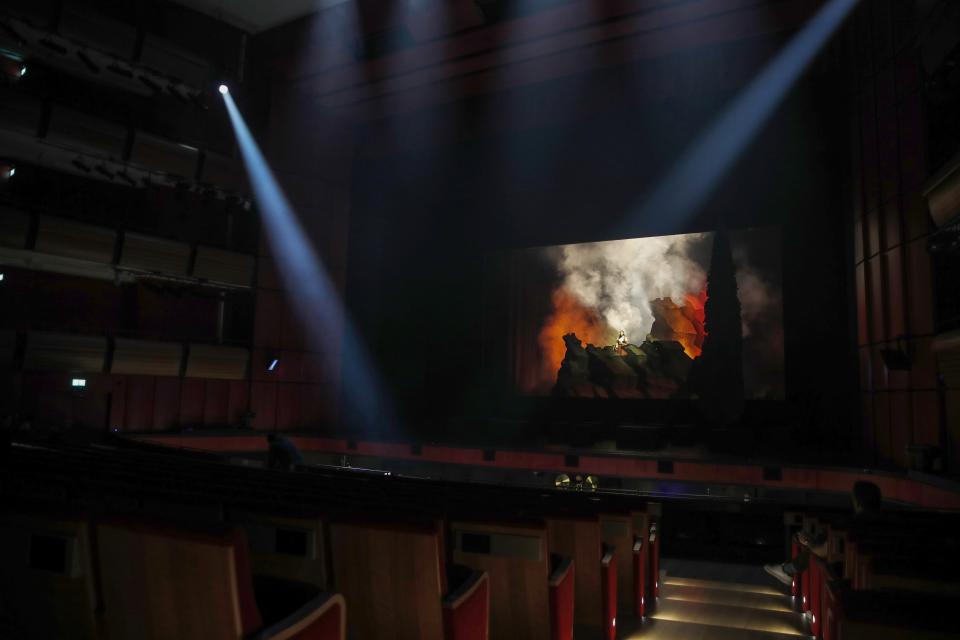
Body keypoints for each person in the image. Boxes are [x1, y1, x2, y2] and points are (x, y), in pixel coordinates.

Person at [764, 480, 882, 586]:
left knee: (815, 553)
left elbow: (823, 551)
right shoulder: (890, 522)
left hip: (851, 577)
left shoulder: (851, 524)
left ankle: (787, 571)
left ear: (857, 501)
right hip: (884, 574)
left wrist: (807, 542)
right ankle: (787, 569)